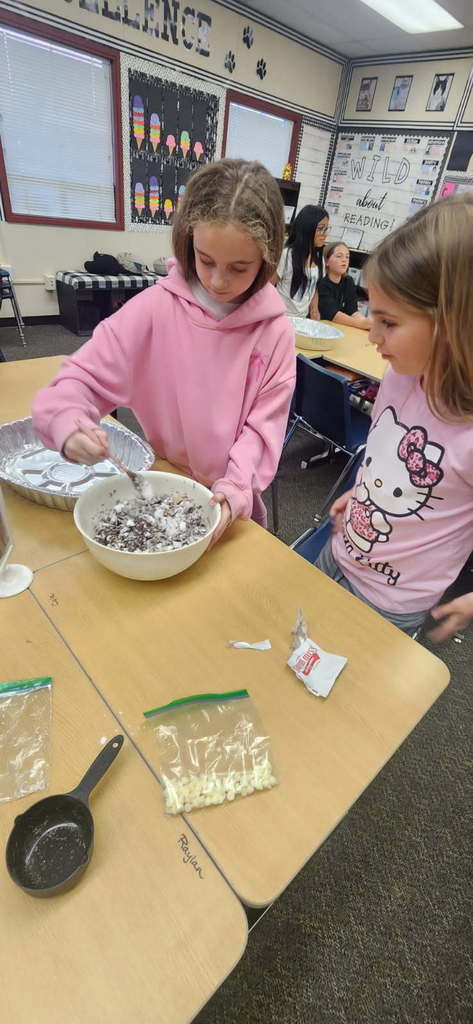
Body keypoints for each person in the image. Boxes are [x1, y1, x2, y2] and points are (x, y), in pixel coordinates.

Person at [32, 159, 296, 542]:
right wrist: (69, 425)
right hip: (164, 487)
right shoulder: (155, 308)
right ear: (189, 242)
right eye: (206, 261)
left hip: (231, 507)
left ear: (267, 260)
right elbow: (77, 382)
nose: (218, 281)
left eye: (239, 268)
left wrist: (236, 487)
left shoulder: (273, 334)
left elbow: (261, 431)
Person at [315, 194, 473, 643]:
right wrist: (361, 491)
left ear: (452, 325)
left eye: (389, 322)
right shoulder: (401, 373)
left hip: (391, 604)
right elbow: (386, 453)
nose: (373, 337)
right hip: (340, 552)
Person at [275, 205, 329, 319]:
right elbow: (268, 286)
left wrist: (314, 309)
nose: (324, 234)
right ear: (307, 228)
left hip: (302, 320)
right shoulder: (287, 255)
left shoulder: (319, 258)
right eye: (320, 228)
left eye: (326, 229)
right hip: (281, 317)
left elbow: (313, 286)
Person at [317, 242, 372, 331]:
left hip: (341, 328)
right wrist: (362, 324)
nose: (344, 260)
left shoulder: (348, 281)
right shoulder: (322, 283)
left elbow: (352, 310)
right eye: (339, 256)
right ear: (326, 261)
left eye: (347, 257)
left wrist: (367, 323)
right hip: (322, 327)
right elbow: (333, 315)